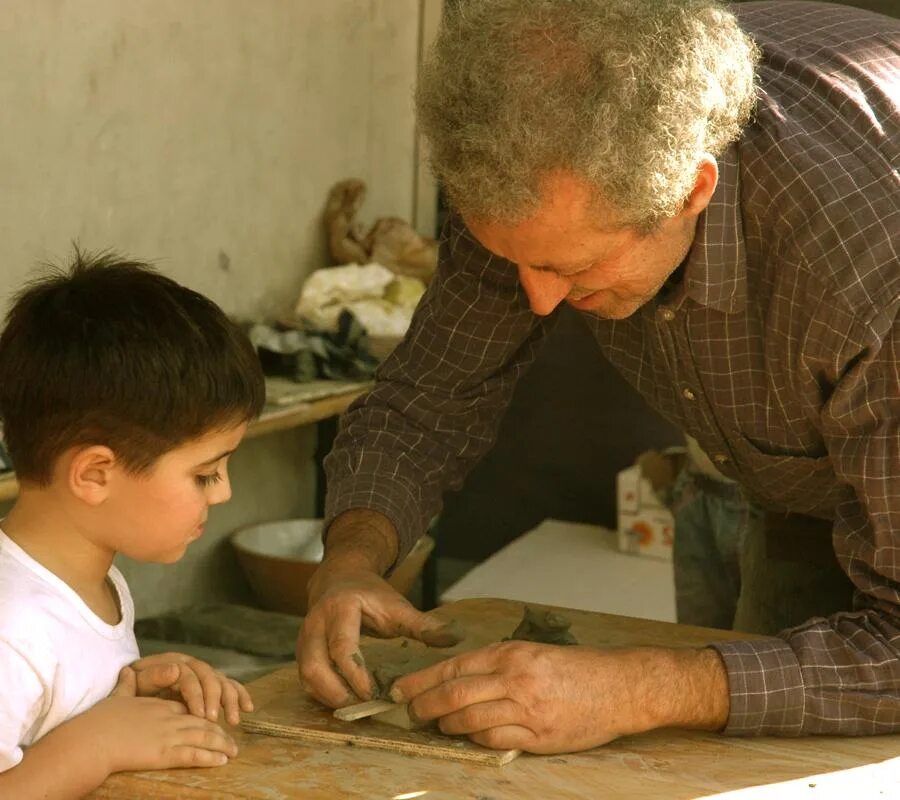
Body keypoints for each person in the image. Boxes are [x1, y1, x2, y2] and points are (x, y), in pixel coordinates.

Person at [297, 0, 899, 754]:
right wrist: (351, 562)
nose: (540, 299)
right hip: (803, 491)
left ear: (691, 192)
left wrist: (635, 687)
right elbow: (430, 397)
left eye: (571, 267)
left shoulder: (867, 272)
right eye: (516, 260)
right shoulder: (534, 170)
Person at [0, 250, 266, 796]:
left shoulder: (91, 581)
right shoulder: (11, 631)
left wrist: (125, 696)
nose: (225, 492)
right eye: (205, 473)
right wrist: (96, 745)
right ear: (95, 474)